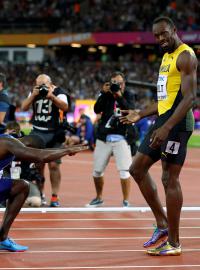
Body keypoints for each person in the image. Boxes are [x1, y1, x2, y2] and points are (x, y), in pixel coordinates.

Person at [120, 16, 197, 256]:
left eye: (164, 34)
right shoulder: (166, 58)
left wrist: (166, 128)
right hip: (164, 120)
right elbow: (165, 100)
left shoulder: (186, 55)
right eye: (156, 36)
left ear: (174, 30)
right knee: (136, 169)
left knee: (168, 179)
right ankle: (162, 224)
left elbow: (189, 98)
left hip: (178, 123)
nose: (161, 39)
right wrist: (140, 114)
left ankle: (174, 242)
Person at [0, 133, 87, 252]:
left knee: (21, 186)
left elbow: (43, 153)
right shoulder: (9, 142)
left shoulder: (12, 147)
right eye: (32, 151)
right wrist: (67, 150)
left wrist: (62, 150)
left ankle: (2, 238)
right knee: (22, 186)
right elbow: (41, 156)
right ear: (30, 146)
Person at [87, 71, 136, 207]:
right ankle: (99, 197)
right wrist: (103, 93)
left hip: (122, 137)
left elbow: (131, 110)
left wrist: (119, 96)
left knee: (125, 171)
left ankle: (126, 201)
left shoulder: (128, 94)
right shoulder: (105, 95)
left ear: (124, 84)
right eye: (114, 83)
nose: (117, 85)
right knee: (97, 171)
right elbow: (97, 109)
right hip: (104, 137)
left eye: (119, 83)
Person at [21, 74, 68, 207]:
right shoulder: (34, 92)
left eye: (44, 85)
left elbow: (65, 107)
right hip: (38, 132)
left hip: (54, 133)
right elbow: (23, 107)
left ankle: (54, 196)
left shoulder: (59, 92)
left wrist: (51, 96)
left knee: (54, 165)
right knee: (38, 166)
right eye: (38, 84)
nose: (41, 87)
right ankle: (41, 194)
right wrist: (32, 96)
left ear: (50, 83)